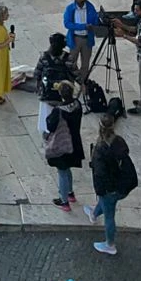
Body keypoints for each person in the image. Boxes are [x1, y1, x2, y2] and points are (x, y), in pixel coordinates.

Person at [89, 112, 136, 255]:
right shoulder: (119, 141)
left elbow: (99, 174)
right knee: (106, 204)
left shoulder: (100, 149)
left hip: (110, 188)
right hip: (123, 185)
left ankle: (110, 244)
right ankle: (94, 213)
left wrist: (100, 190)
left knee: (109, 215)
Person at [48, 80, 86, 211]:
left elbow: (50, 126)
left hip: (62, 145)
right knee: (68, 168)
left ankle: (64, 201)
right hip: (75, 142)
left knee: (62, 171)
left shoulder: (58, 111)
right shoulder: (78, 105)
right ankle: (70, 193)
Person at [64, 0, 102, 79]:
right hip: (75, 38)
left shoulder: (90, 7)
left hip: (87, 39)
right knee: (72, 62)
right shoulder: (70, 9)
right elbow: (67, 24)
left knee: (85, 64)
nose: (83, 0)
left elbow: (95, 21)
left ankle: (83, 81)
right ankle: (73, 80)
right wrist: (82, 26)